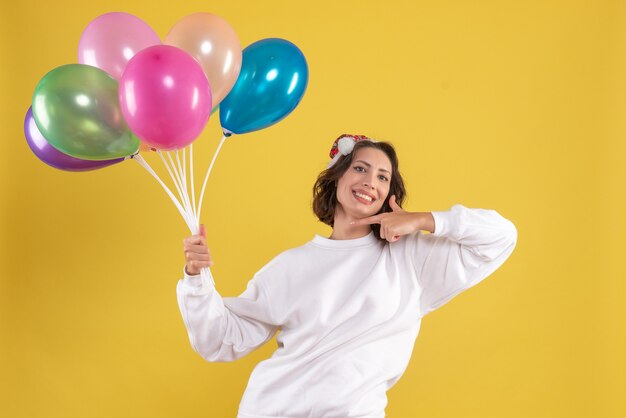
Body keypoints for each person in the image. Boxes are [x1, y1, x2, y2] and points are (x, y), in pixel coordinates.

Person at [178, 134, 518, 418]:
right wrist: (196, 278)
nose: (371, 181)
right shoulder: (291, 266)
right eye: (360, 168)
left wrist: (424, 220)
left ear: (389, 193)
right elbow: (220, 340)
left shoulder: (411, 258)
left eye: (383, 177)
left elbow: (501, 236)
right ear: (336, 177)